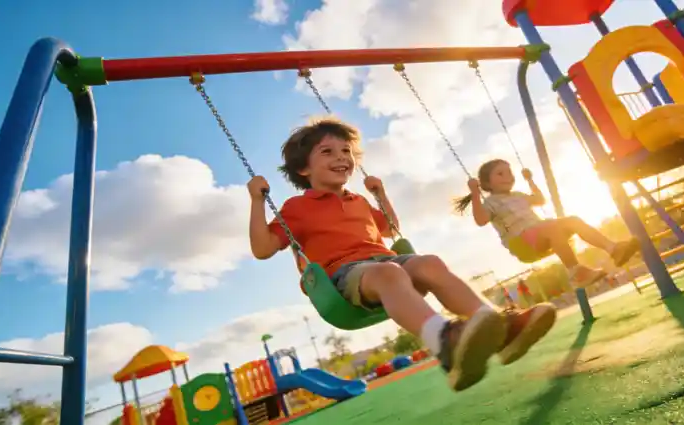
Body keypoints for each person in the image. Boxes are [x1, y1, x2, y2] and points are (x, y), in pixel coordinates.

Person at [247, 118, 556, 392]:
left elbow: (390, 228)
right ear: (304, 169)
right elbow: (263, 249)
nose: (341, 157)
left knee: (430, 263)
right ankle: (444, 342)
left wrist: (380, 196)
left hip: (385, 261)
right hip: (344, 276)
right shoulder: (296, 208)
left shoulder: (357, 201)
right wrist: (257, 202)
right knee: (391, 273)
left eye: (346, 151)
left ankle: (502, 330)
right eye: (327, 152)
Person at [455, 159, 641, 288]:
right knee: (551, 226)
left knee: (573, 221)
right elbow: (481, 220)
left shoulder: (518, 196)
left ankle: (613, 249)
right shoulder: (490, 202)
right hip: (521, 243)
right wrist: (475, 194)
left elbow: (540, 200)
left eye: (510, 173)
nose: (508, 176)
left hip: (541, 235)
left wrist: (530, 180)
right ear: (487, 183)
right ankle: (576, 272)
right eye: (500, 174)